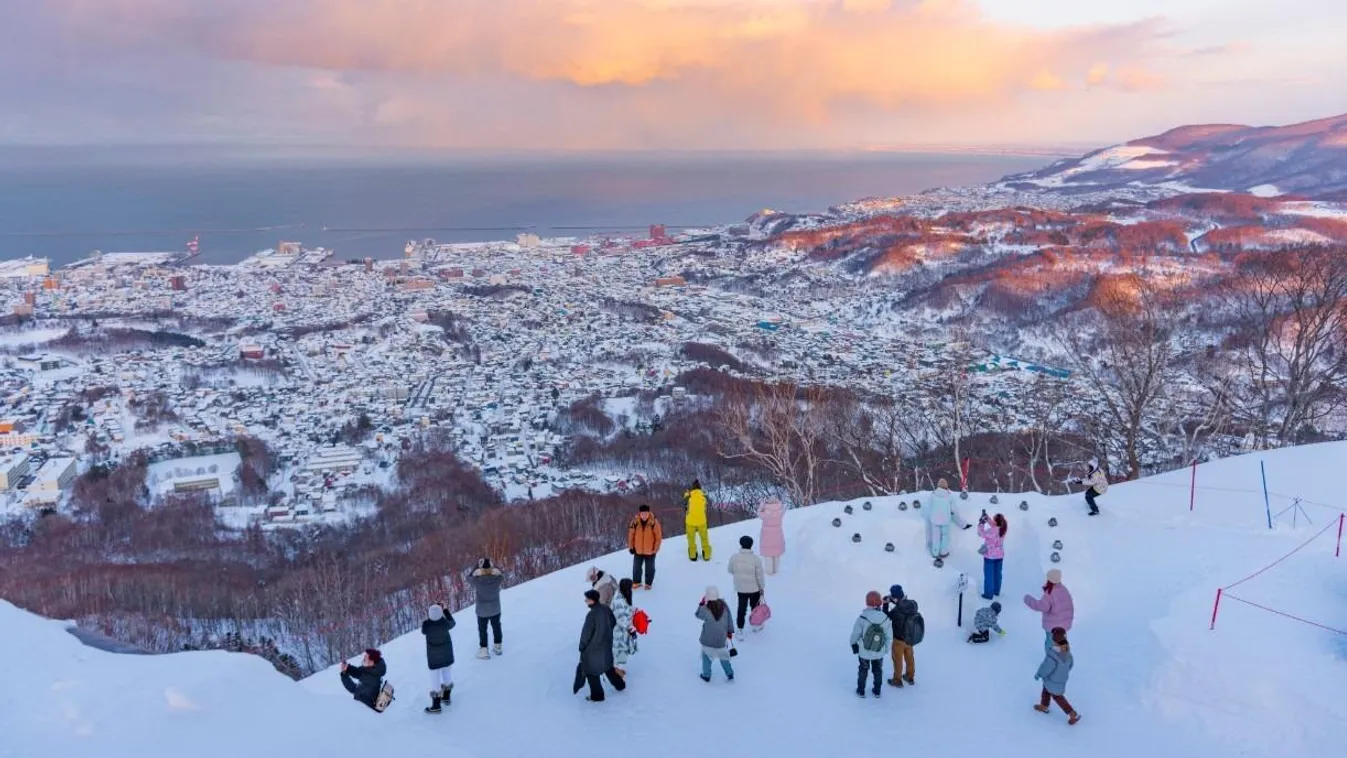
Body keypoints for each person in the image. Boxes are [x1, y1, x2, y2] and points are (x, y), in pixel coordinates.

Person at [574, 589, 626, 702]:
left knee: (591, 672)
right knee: (608, 667)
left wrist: (582, 647)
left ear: (592, 600)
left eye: (587, 599)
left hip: (593, 650)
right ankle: (620, 685)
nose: (585, 601)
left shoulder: (591, 615)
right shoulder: (606, 609)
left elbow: (586, 634)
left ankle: (597, 696)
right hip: (606, 646)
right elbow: (613, 622)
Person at [850, 591, 893, 698]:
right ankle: (877, 691)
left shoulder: (862, 617)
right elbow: (889, 636)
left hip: (864, 651)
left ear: (866, 602)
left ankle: (861, 690)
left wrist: (854, 644)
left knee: (863, 669)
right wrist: (886, 649)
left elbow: (856, 633)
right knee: (878, 670)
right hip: (879, 651)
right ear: (879, 603)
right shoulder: (885, 617)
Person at [1034, 627, 1080, 725]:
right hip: (1061, 678)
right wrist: (1064, 672)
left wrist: (1039, 674)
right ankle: (1044, 706)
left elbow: (1046, 667)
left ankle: (1072, 713)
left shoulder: (1053, 654)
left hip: (1052, 679)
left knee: (1057, 697)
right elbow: (1071, 663)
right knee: (1046, 690)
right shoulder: (1066, 650)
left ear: (1054, 640)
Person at [1023, 569, 1074, 651]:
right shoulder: (1064, 589)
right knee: (1062, 643)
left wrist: (1028, 599)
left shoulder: (1050, 593)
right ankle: (1064, 659)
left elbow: (1041, 606)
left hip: (1053, 627)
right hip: (1064, 625)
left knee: (1050, 645)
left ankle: (1051, 661)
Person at [695, 586, 735, 683]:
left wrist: (701, 603)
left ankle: (706, 675)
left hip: (707, 640)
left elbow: (697, 614)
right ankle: (729, 673)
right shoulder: (724, 605)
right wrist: (730, 631)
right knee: (724, 656)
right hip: (721, 640)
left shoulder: (705, 609)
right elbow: (729, 618)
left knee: (706, 657)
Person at [883, 585, 920, 687]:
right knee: (909, 657)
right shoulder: (913, 604)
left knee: (897, 659)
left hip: (898, 639)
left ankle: (897, 680)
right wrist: (895, 601)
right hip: (910, 638)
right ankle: (910, 676)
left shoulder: (897, 610)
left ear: (895, 598)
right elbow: (903, 606)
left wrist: (886, 604)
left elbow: (886, 617)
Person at [727, 535, 766, 633]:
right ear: (751, 545)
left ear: (741, 544)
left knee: (741, 609)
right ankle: (756, 626)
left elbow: (730, 570)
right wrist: (762, 588)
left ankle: (740, 629)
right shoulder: (756, 559)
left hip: (741, 589)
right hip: (754, 589)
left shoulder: (734, 557)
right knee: (755, 608)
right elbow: (760, 576)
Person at [925, 478, 971, 560]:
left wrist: (932, 516)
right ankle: (944, 552)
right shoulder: (949, 496)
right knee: (945, 537)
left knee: (935, 537)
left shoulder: (932, 495)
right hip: (945, 520)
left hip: (935, 520)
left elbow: (929, 508)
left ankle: (935, 553)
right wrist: (963, 524)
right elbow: (954, 511)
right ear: (946, 486)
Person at [421, 603, 455, 713]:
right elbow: (453, 622)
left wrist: (430, 617)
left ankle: (436, 705)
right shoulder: (445, 624)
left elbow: (423, 629)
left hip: (434, 659)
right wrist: (445, 609)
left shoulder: (427, 626)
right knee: (447, 675)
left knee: (435, 679)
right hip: (447, 655)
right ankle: (446, 697)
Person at [468, 558, 504, 659]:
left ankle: (484, 650)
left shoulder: (477, 580)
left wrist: (476, 567)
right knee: (496, 627)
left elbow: (468, 577)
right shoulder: (497, 579)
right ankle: (498, 646)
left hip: (482, 611)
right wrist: (494, 567)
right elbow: (502, 574)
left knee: (482, 630)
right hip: (495, 609)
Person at [627, 504, 663, 590]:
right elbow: (631, 535)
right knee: (636, 567)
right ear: (640, 513)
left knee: (650, 568)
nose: (644, 516)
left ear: (649, 513)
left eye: (646, 514)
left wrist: (656, 549)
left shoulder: (653, 522)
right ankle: (637, 582)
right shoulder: (635, 522)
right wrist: (631, 547)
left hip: (650, 550)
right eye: (642, 514)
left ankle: (648, 583)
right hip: (638, 550)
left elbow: (658, 537)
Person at [611, 578, 639, 677]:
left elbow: (626, 608)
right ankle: (616, 670)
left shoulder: (622, 596)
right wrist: (630, 628)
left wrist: (634, 610)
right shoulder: (618, 600)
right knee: (619, 650)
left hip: (623, 631)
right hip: (619, 631)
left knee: (622, 650)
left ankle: (617, 668)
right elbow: (620, 617)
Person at [978, 511, 1007, 599]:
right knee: (997, 574)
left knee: (989, 575)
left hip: (990, 556)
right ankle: (996, 591)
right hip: (1000, 556)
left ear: (996, 521)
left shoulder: (991, 531)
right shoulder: (1003, 528)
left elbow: (981, 533)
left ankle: (988, 594)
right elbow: (994, 524)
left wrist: (981, 524)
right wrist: (987, 517)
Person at [756, 498, 786, 575]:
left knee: (768, 555)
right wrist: (779, 502)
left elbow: (758, 512)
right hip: (778, 535)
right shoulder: (780, 511)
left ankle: (769, 573)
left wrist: (762, 505)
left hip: (767, 536)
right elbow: (783, 507)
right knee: (776, 554)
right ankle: (776, 572)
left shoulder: (765, 512)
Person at [684, 479, 711, 561]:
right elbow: (705, 507)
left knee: (691, 539)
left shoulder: (688, 496)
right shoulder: (704, 495)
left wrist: (686, 493)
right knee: (704, 538)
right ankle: (706, 555)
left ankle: (693, 556)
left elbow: (685, 505)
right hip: (702, 520)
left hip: (690, 521)